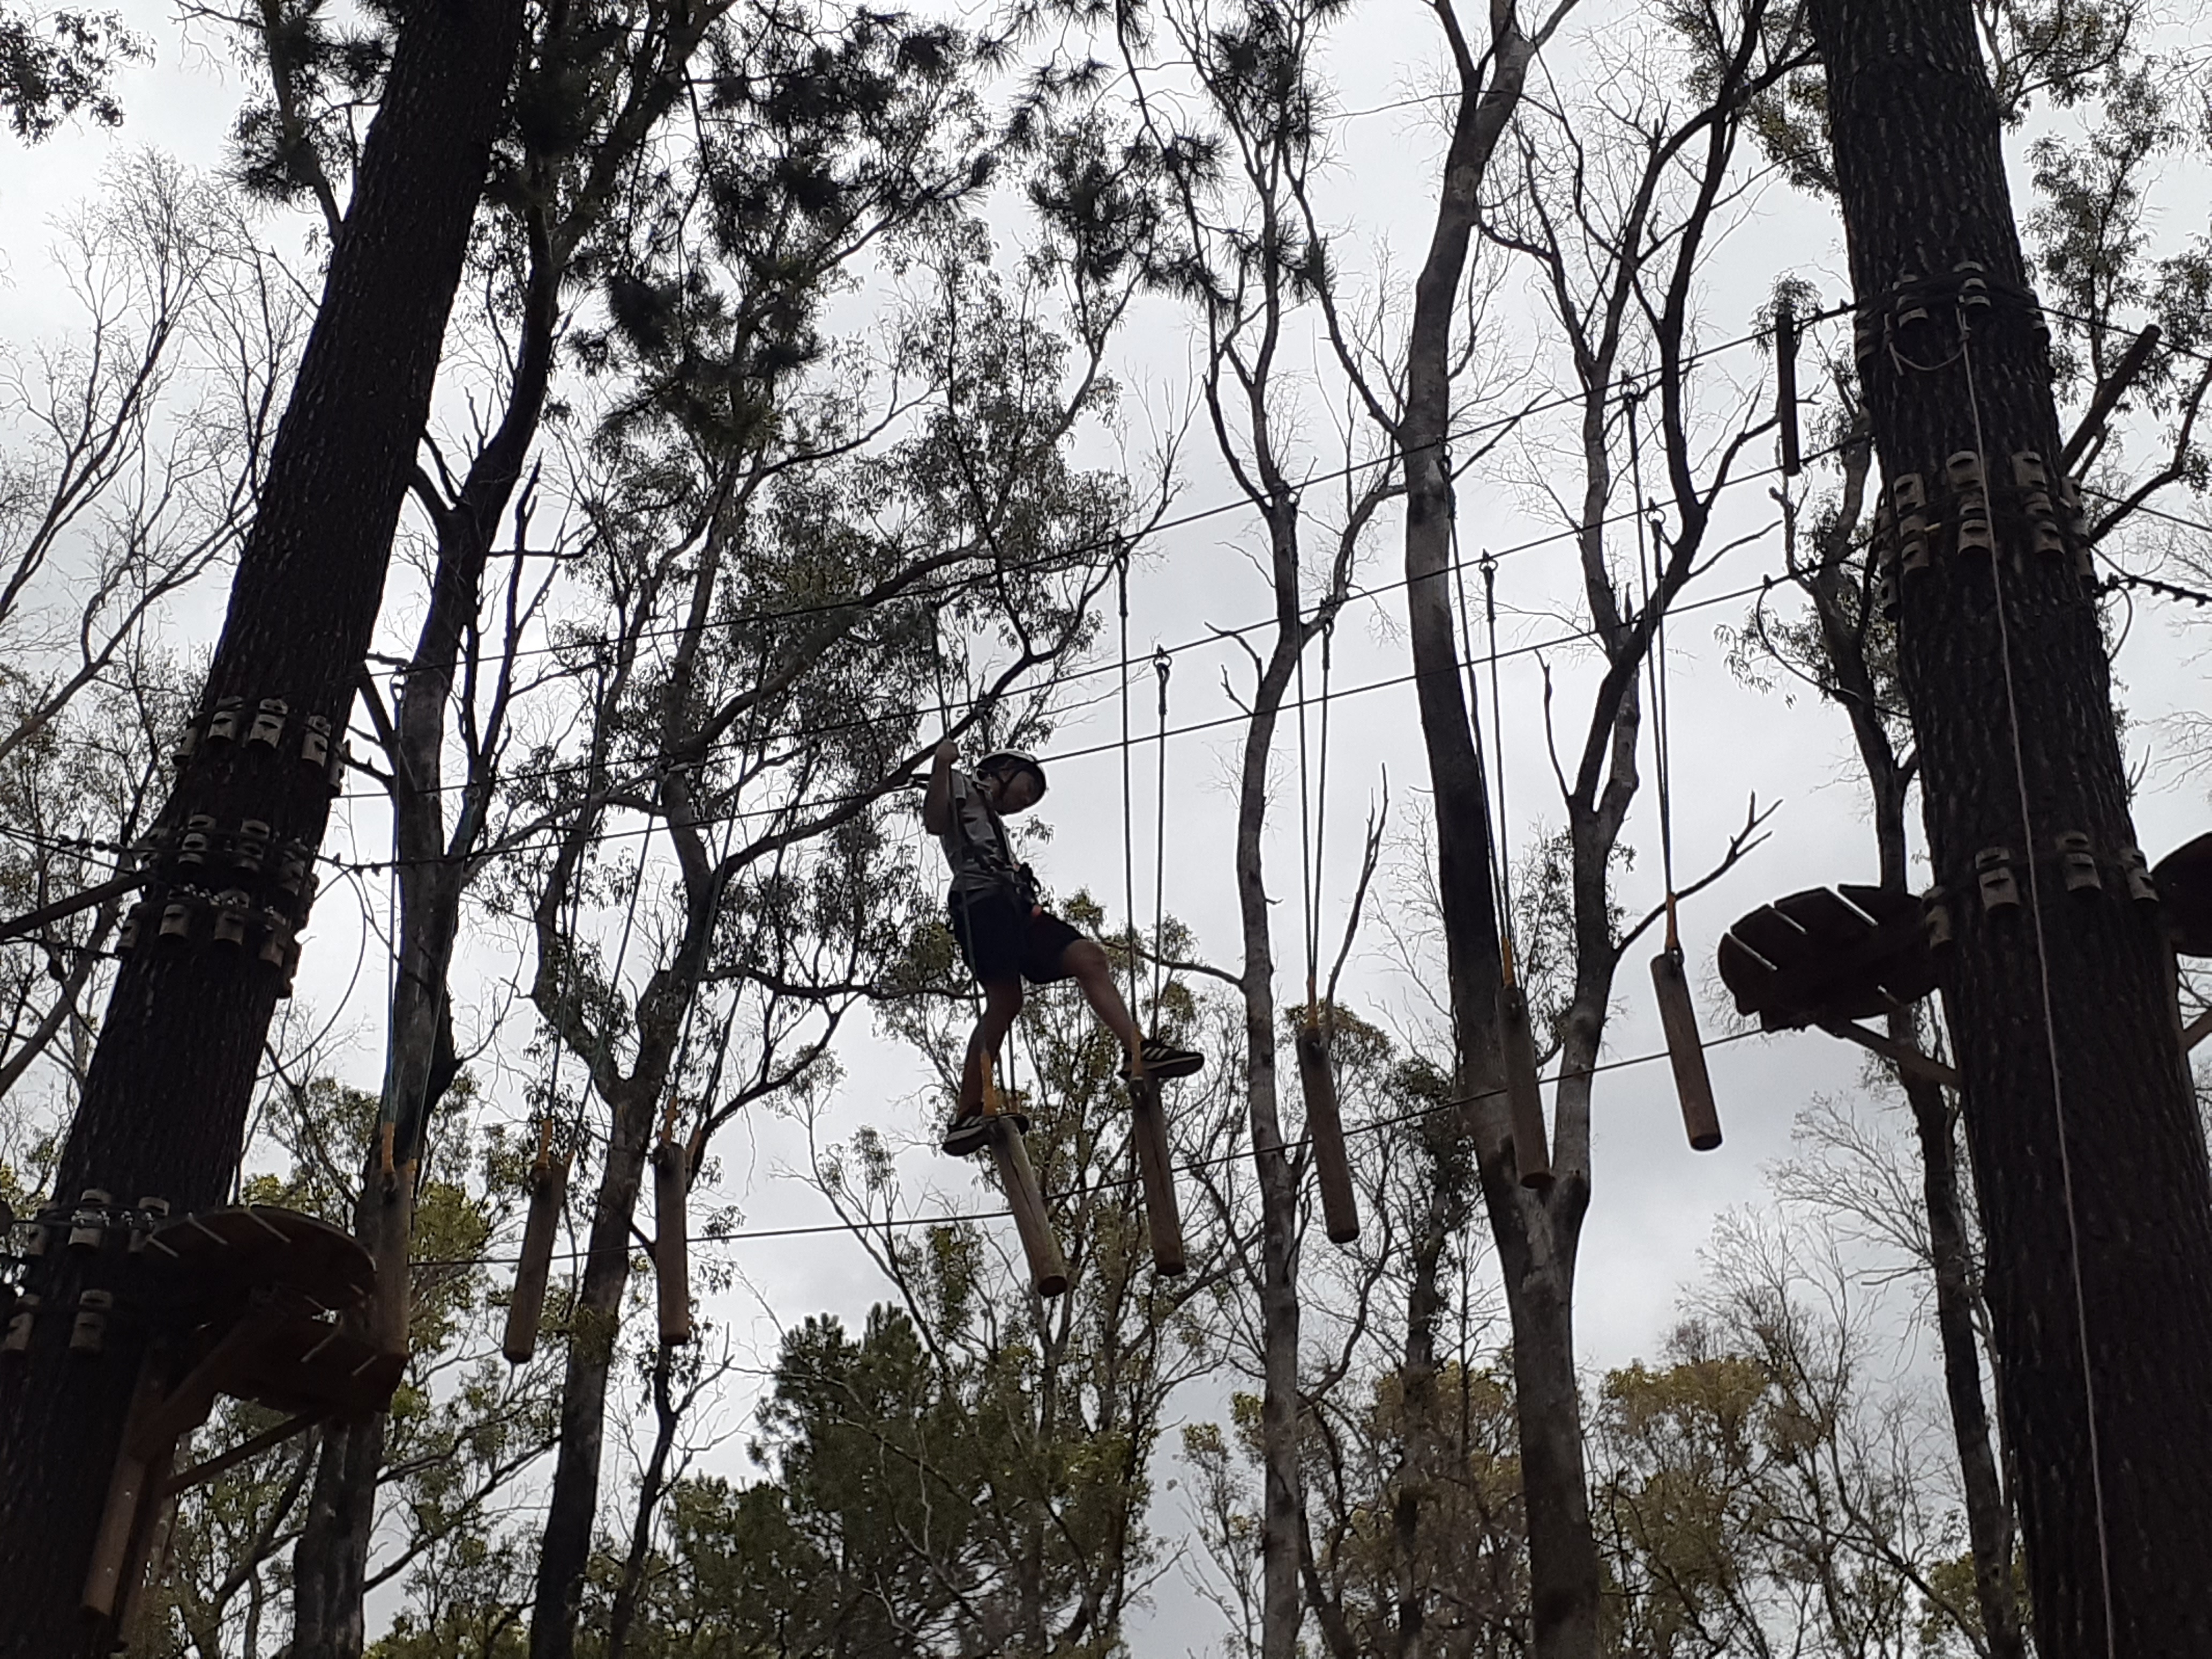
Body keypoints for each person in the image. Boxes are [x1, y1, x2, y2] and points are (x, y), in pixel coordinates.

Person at [923, 737, 1201, 1156]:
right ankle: (967, 1113)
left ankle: (1137, 1049)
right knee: (1005, 1001)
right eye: (1028, 788)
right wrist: (942, 765)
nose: (1026, 801)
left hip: (1014, 904)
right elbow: (935, 821)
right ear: (1003, 770)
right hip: (980, 903)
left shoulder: (994, 820)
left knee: (1090, 958)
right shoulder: (961, 783)